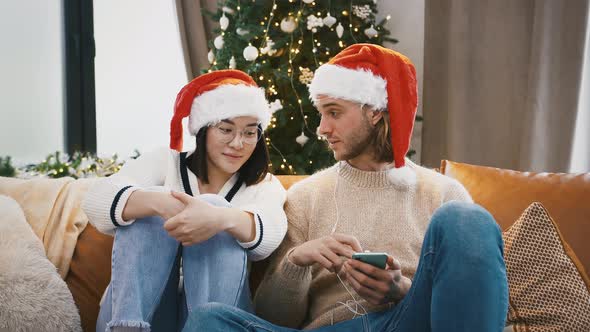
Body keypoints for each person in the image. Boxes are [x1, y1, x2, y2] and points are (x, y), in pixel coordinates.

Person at [183, 44, 508, 332]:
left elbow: (475, 302)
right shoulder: (305, 197)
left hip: (405, 321)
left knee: (467, 218)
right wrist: (297, 262)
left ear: (376, 112)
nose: (323, 129)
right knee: (209, 319)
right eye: (321, 114)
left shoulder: (441, 194)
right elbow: (274, 317)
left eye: (334, 113)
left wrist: (402, 289)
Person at [82, 70, 288, 332]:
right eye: (226, 129)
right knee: (149, 202)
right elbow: (95, 200)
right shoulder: (163, 163)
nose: (238, 143)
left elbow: (268, 238)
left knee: (216, 209)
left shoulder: (264, 185)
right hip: (141, 315)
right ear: (203, 130)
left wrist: (218, 218)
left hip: (216, 317)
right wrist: (162, 204)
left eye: (249, 133)